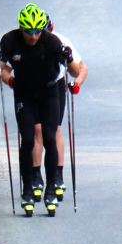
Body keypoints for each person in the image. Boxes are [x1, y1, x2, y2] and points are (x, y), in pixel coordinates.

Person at [0, 3, 80, 216]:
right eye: (28, 31)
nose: (33, 36)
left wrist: (68, 58)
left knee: (49, 137)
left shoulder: (51, 42)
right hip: (24, 93)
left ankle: (50, 188)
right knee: (28, 139)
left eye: (37, 31)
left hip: (49, 92)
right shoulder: (10, 41)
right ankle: (27, 189)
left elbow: (75, 71)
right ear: (21, 28)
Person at [29, 17, 88, 202]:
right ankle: (36, 176)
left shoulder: (61, 41)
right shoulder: (26, 42)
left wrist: (76, 83)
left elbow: (81, 68)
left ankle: (57, 176)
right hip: (33, 86)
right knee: (37, 131)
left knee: (54, 132)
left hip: (56, 86)